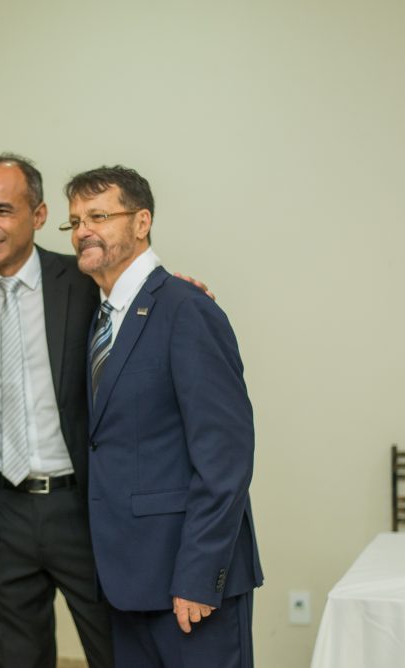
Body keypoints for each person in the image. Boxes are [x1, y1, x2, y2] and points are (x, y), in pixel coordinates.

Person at [66, 165, 263, 668]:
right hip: (126, 582)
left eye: (98, 216)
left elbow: (225, 460)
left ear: (142, 222)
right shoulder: (100, 317)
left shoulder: (186, 309)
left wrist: (199, 575)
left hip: (188, 584)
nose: (83, 230)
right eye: (75, 221)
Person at [0, 154, 114, 668]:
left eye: (2, 210)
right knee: (17, 658)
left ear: (38, 215)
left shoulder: (82, 281)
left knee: (119, 651)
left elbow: (141, 313)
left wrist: (184, 289)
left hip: (83, 508)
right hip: (2, 513)